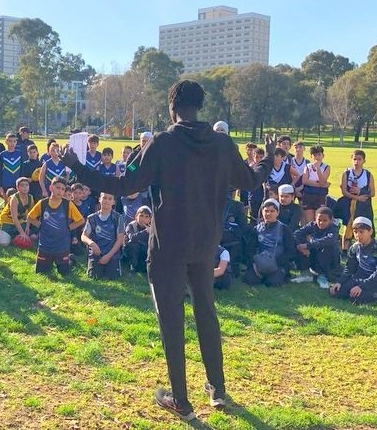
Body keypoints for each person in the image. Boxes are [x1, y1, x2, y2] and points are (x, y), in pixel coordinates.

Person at [59, 80, 275, 420]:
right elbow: (249, 180)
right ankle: (216, 389)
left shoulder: (162, 143)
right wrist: (270, 157)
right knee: (206, 312)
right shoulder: (221, 143)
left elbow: (124, 185)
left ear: (171, 107)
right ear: (200, 106)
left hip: (167, 248)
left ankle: (181, 400)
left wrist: (77, 166)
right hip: (205, 245)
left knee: (171, 320)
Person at [27, 177, 84, 276]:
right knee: (41, 273)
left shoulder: (68, 204)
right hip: (45, 245)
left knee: (64, 273)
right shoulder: (43, 203)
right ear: (51, 188)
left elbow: (81, 220)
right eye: (58, 188)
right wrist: (40, 225)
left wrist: (68, 227)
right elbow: (30, 217)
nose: (60, 191)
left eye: (63, 189)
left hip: (62, 245)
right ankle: (47, 262)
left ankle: (70, 259)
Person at [244, 198, 294, 288]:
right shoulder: (256, 229)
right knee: (250, 280)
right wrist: (255, 261)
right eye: (266, 211)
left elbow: (290, 251)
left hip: (277, 263)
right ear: (262, 212)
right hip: (259, 263)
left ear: (277, 213)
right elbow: (249, 248)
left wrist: (276, 262)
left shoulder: (284, 229)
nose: (268, 214)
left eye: (272, 211)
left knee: (272, 283)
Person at [329, 217, 377, 304]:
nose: (358, 235)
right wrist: (340, 282)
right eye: (355, 232)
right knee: (337, 292)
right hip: (359, 278)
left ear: (370, 231)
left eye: (361, 232)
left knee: (355, 299)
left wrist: (362, 286)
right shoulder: (354, 247)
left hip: (373, 281)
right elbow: (349, 268)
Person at [292, 206, 341, 288]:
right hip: (314, 255)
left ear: (331, 220)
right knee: (298, 244)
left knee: (327, 247)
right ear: (315, 218)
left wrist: (308, 245)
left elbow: (329, 240)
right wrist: (301, 246)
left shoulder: (333, 228)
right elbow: (296, 234)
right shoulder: (312, 225)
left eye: (325, 220)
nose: (321, 223)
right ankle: (306, 273)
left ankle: (322, 275)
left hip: (330, 261)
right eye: (319, 220)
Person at [81, 192, 125, 280]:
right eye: (104, 198)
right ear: (100, 199)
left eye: (110, 199)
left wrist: (108, 256)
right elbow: (83, 236)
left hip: (112, 254)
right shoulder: (91, 218)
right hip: (96, 254)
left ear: (114, 202)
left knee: (112, 277)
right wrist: (92, 243)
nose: (107, 201)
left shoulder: (118, 218)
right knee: (94, 277)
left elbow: (120, 240)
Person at [338, 150, 375, 252]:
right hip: (349, 204)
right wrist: (356, 197)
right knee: (348, 225)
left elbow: (372, 193)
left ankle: (366, 249)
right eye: (354, 159)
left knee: (365, 225)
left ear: (364, 161)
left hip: (364, 205)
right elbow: (344, 191)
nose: (356, 162)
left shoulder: (368, 174)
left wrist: (360, 191)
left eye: (359, 159)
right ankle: (345, 250)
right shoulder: (346, 173)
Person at [0, 177, 35, 244]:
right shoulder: (14, 198)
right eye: (22, 185)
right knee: (4, 243)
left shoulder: (31, 198)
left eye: (27, 185)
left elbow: (30, 215)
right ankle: (0, 231)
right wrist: (22, 233)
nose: (25, 187)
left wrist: (27, 226)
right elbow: (14, 218)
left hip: (20, 221)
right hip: (8, 221)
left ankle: (15, 236)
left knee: (33, 237)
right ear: (17, 188)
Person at [302, 145, 330, 225]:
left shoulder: (326, 167)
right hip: (308, 195)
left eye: (319, 155)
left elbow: (322, 181)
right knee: (310, 222)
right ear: (311, 156)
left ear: (323, 155)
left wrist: (318, 169)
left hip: (320, 195)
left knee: (319, 220)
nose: (317, 157)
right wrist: (320, 184)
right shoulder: (308, 167)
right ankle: (309, 237)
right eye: (315, 155)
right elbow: (304, 181)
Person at [124, 205, 151, 273]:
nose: (143, 219)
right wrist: (145, 231)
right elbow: (132, 238)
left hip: (146, 251)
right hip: (133, 251)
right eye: (141, 216)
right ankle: (133, 267)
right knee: (133, 245)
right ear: (136, 216)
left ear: (150, 219)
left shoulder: (152, 227)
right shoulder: (131, 225)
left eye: (146, 217)